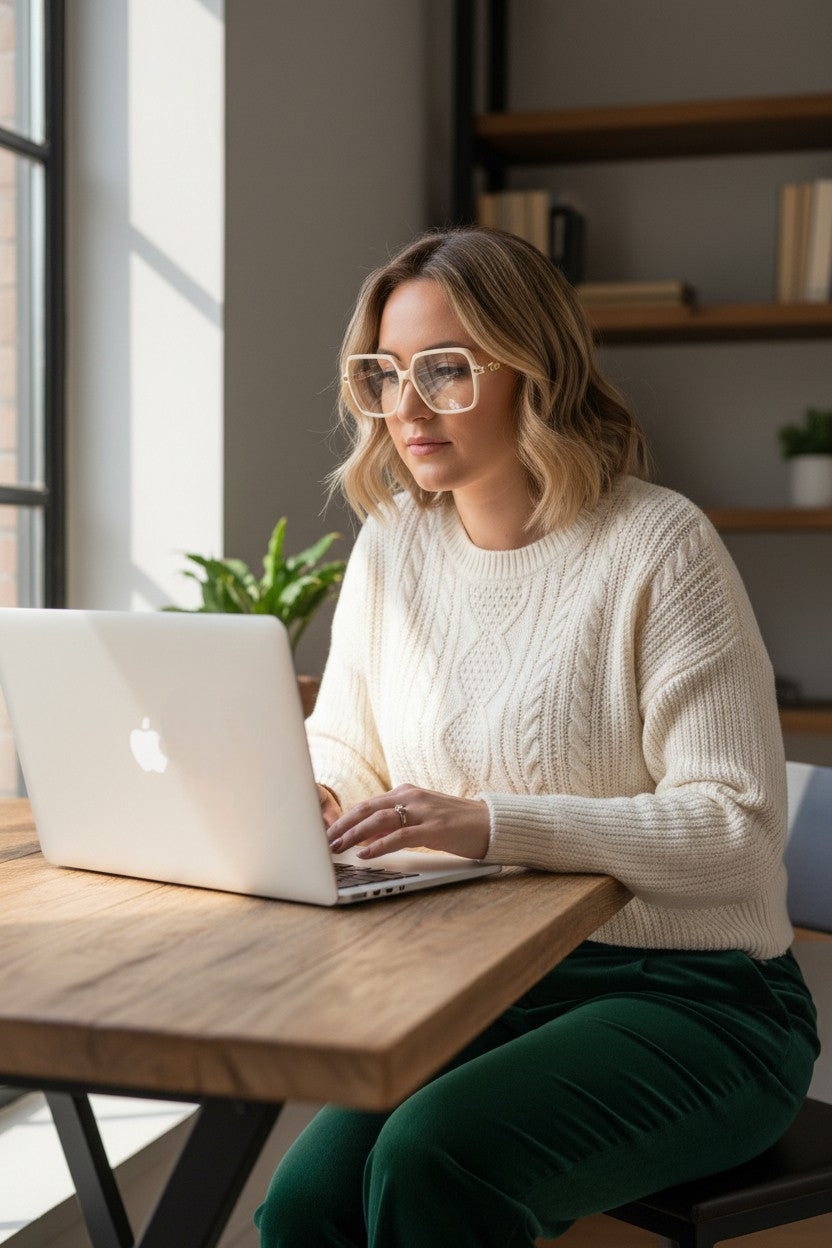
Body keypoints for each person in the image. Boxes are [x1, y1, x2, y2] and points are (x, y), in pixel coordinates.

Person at [254, 226, 818, 1248]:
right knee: (304, 1210)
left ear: (534, 369)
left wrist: (493, 823)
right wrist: (326, 795)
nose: (408, 407)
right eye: (384, 374)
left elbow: (737, 827)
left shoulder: (659, 546)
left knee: (433, 1160)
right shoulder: (393, 548)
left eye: (446, 371)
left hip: (700, 1000)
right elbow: (346, 740)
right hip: (480, 987)